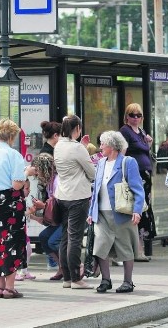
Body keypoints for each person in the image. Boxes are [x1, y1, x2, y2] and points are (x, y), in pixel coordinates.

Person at [0, 119, 36, 299]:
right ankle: (10, 287)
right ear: (13, 135)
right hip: (13, 201)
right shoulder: (14, 155)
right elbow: (16, 184)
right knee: (14, 241)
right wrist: (27, 173)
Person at [88, 130, 145, 293]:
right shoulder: (100, 163)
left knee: (125, 246)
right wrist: (91, 212)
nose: (100, 147)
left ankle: (128, 281)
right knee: (100, 246)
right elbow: (96, 189)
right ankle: (106, 279)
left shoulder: (128, 162)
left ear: (112, 146)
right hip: (101, 213)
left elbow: (138, 189)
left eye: (103, 144)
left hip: (121, 212)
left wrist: (137, 210)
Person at [54, 115, 96, 289]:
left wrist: (82, 148)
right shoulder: (78, 148)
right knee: (75, 238)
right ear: (77, 128)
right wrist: (84, 149)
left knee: (65, 238)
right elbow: (92, 173)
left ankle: (66, 278)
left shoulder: (58, 146)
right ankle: (76, 279)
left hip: (62, 195)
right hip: (78, 196)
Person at [119, 103, 155, 261]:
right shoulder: (125, 131)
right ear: (126, 116)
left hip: (145, 175)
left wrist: (149, 144)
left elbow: (146, 152)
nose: (135, 118)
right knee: (136, 209)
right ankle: (137, 249)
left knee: (143, 209)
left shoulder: (141, 132)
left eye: (138, 115)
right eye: (132, 115)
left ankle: (140, 247)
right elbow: (122, 153)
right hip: (134, 175)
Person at [28, 153, 63, 280]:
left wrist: (43, 206)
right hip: (59, 219)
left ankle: (74, 265)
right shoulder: (48, 183)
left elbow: (60, 205)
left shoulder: (57, 181)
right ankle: (61, 267)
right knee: (44, 237)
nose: (36, 174)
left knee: (53, 241)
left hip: (68, 218)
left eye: (38, 170)